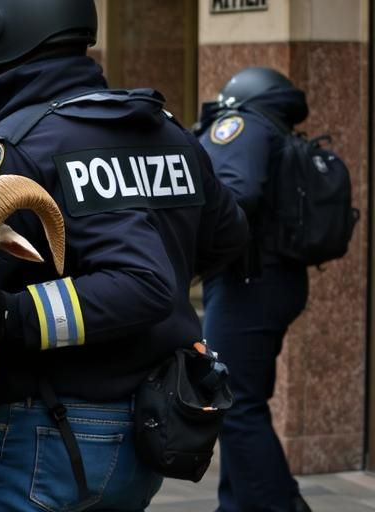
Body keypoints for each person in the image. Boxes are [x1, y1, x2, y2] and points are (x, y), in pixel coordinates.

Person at [0, 1, 250, 510]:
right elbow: (227, 236)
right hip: (148, 429)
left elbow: (141, 283)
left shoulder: (22, 144)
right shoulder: (166, 131)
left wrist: (12, 314)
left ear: (3, 34)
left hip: (49, 428)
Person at [196, 67, 313, 512]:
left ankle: (281, 505)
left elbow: (236, 193)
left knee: (236, 403)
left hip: (247, 283)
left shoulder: (241, 126)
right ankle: (240, 504)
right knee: (243, 399)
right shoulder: (278, 132)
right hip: (274, 281)